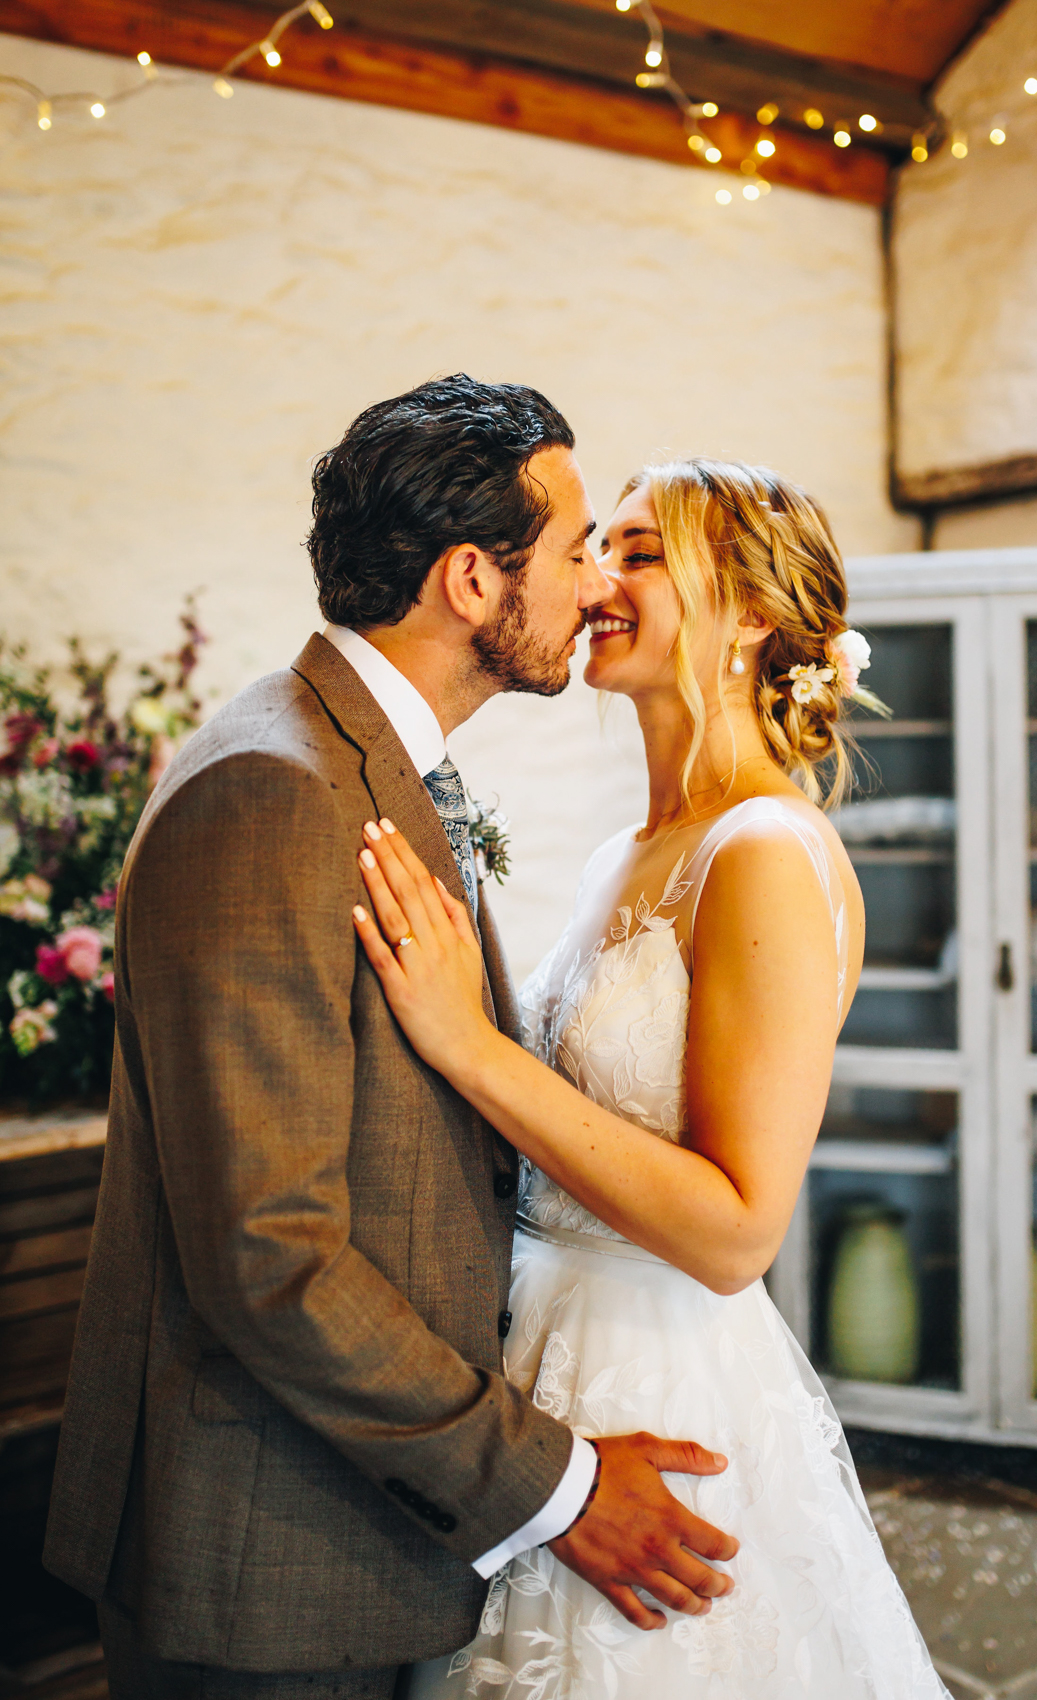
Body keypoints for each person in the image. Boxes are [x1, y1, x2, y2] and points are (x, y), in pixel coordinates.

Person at [43, 379, 740, 1699]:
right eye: (580, 545)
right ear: (473, 579)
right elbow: (271, 1257)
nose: (597, 585)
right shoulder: (273, 792)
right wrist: (562, 1489)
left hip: (356, 1511)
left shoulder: (365, 764)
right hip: (262, 1547)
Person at [350, 459, 953, 1698]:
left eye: (639, 551)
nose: (595, 579)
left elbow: (736, 1230)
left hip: (661, 1368)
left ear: (746, 613)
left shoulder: (766, 854)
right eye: (597, 549)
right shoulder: (626, 851)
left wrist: (466, 1044)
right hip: (537, 1365)